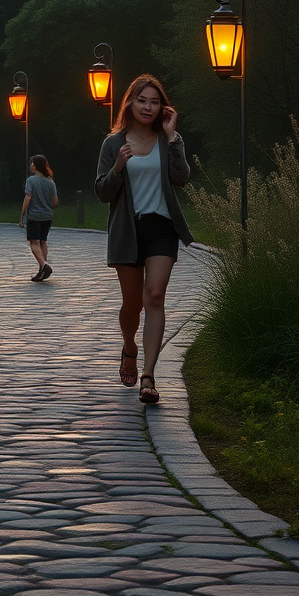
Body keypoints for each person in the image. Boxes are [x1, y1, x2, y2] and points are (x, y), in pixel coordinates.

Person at [94, 74, 193, 405]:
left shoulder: (167, 140)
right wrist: (119, 166)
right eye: (142, 100)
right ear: (131, 104)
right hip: (128, 230)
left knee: (154, 296)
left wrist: (174, 136)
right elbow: (103, 192)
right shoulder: (113, 144)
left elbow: (181, 178)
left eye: (154, 101)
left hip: (162, 228)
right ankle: (130, 347)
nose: (149, 107)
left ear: (162, 107)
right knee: (132, 305)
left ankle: (149, 376)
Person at [18, 154, 58, 281]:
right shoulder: (50, 182)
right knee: (43, 241)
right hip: (47, 216)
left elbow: (28, 197)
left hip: (34, 216)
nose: (30, 166)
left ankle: (44, 265)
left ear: (36, 165)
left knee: (34, 242)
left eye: (32, 163)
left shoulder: (31, 181)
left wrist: (22, 214)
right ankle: (42, 270)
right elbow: (55, 202)